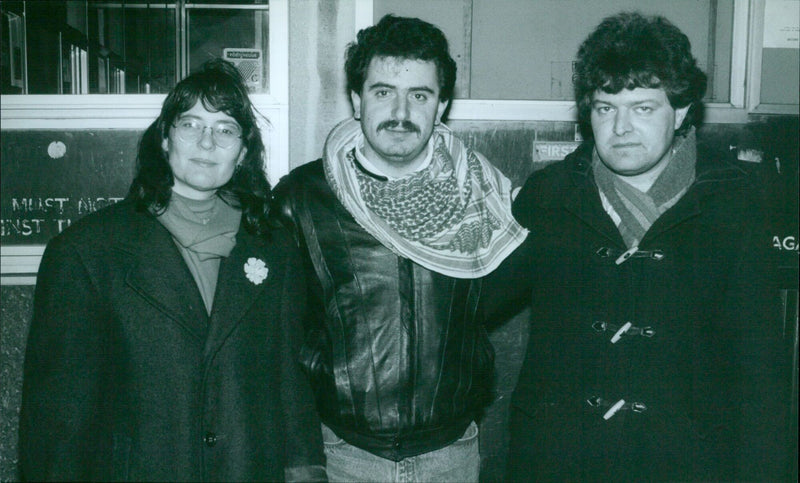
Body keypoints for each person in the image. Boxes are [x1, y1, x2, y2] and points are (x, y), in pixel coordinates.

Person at [504, 12, 790, 481]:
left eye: (642, 108)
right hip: (561, 462)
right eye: (605, 108)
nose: (621, 128)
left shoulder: (733, 204)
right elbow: (468, 302)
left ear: (679, 112)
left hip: (687, 464)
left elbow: (759, 377)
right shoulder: (549, 196)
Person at [18, 59, 326, 482]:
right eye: (191, 124)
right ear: (165, 138)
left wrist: (306, 472)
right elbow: (57, 419)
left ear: (243, 150)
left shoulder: (275, 248)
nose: (206, 142)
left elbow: (291, 385)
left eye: (225, 129)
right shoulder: (86, 253)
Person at [272, 14, 527, 482]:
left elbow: (494, 304)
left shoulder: (484, 198)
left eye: (420, 95)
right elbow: (281, 337)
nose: (400, 111)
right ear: (356, 98)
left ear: (442, 105)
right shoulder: (303, 199)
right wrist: (300, 457)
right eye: (383, 91)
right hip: (342, 455)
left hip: (450, 455)